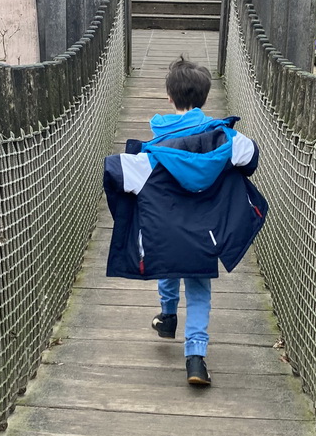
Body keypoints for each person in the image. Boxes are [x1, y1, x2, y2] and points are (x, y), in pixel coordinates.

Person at [103, 56, 267, 387]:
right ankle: (195, 358)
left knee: (167, 263)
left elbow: (116, 172)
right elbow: (250, 158)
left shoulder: (151, 154)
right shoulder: (226, 139)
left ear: (168, 96)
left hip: (164, 235)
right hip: (206, 234)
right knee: (199, 289)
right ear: (205, 98)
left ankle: (167, 317)